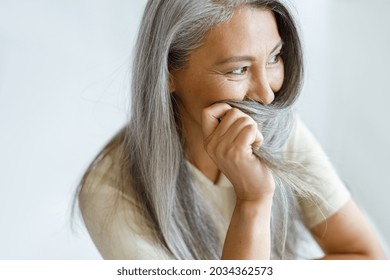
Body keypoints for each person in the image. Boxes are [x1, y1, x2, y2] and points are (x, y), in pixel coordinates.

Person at [75, 0, 386, 260]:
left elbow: (369, 259)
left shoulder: (279, 130)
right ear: (167, 71)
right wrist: (253, 200)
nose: (266, 96)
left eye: (274, 58)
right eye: (238, 69)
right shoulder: (109, 190)